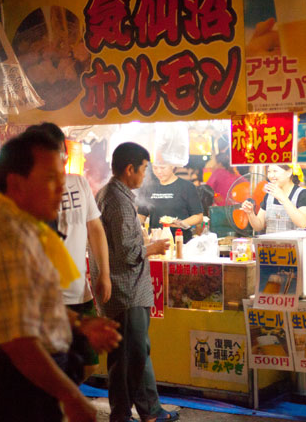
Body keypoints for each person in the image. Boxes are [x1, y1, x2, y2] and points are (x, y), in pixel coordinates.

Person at [0, 131, 121, 422]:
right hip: (14, 395)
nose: (62, 189)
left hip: (35, 386)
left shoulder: (28, 230)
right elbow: (19, 342)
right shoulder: (6, 239)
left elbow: (34, 305)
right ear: (16, 184)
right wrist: (71, 396)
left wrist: (81, 323)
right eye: (50, 178)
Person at [92, 142, 178, 422]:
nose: (144, 175)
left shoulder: (110, 194)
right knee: (131, 355)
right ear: (129, 169)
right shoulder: (117, 200)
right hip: (126, 290)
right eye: (143, 169)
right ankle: (130, 413)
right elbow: (129, 251)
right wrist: (153, 247)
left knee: (130, 354)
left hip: (124, 290)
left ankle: (143, 411)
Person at [25, 123, 111, 381]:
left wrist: (104, 274)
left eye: (61, 151)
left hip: (80, 293)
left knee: (89, 363)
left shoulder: (80, 184)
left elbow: (95, 230)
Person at [138, 162, 203, 243]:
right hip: (156, 241)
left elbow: (198, 216)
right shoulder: (149, 187)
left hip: (180, 240)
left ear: (172, 166)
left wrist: (181, 223)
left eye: (162, 168)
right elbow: (141, 215)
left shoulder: (187, 187)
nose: (159, 172)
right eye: (155, 168)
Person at [241, 164, 306, 233]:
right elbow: (258, 226)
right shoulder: (269, 195)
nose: (271, 176)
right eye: (269, 171)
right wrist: (251, 213)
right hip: (270, 244)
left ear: (289, 172)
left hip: (294, 245)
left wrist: (283, 198)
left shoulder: (302, 193)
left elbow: (303, 223)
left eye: (275, 171)